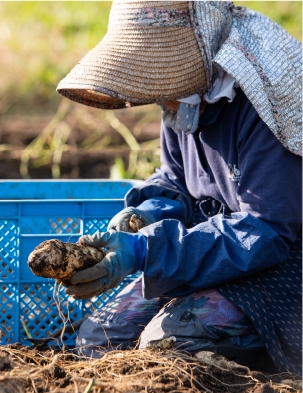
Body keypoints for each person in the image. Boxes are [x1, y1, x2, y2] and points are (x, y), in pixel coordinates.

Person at [55, 1, 302, 373]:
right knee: (100, 337)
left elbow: (265, 231)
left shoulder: (268, 107)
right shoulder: (182, 100)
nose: (157, 96)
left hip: (281, 270)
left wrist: (146, 250)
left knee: (166, 347)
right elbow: (177, 180)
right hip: (210, 253)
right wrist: (147, 212)